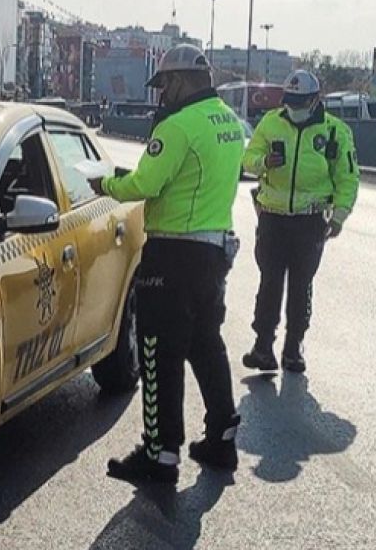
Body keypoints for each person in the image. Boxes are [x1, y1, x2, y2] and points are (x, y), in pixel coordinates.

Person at [89, 44, 245, 484]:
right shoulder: (229, 123)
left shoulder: (178, 126)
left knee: (159, 351)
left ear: (180, 81)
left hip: (173, 254)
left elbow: (145, 183)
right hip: (214, 248)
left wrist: (104, 183)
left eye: (165, 86)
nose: (162, 96)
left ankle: (160, 454)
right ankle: (221, 433)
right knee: (206, 343)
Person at [241, 70, 360, 374]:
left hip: (309, 221)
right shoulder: (271, 122)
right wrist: (263, 163)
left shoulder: (335, 132)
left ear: (314, 99)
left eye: (299, 102)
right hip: (273, 216)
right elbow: (248, 158)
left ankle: (293, 347)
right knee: (269, 282)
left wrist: (340, 215)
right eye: (289, 101)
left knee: (300, 284)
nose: (293, 107)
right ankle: (263, 346)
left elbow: (347, 177)